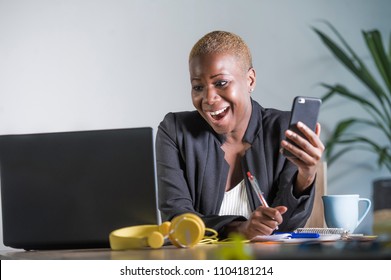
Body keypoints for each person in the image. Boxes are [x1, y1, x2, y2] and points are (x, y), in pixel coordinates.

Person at [156, 31, 324, 240]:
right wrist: (240, 229)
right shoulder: (175, 131)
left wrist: (306, 175)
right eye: (198, 87)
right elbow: (176, 221)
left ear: (250, 80)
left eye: (221, 83)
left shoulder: (283, 130)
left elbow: (285, 228)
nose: (208, 98)